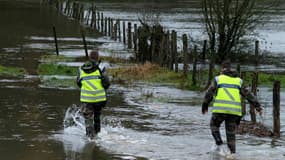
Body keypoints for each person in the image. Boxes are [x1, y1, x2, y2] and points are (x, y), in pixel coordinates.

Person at [201, 59, 263, 158]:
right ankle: (233, 154)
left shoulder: (218, 79)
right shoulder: (239, 81)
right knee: (231, 134)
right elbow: (249, 95)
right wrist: (258, 106)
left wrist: (205, 105)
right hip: (234, 112)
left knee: (214, 125)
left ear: (222, 69)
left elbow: (209, 93)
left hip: (220, 110)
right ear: (231, 69)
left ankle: (219, 144)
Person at [76, 50, 110, 138]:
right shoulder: (102, 68)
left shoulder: (81, 69)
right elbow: (106, 83)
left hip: (86, 99)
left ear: (89, 58)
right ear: (98, 58)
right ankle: (97, 135)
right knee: (97, 117)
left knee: (88, 119)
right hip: (99, 98)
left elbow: (79, 83)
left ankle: (90, 138)